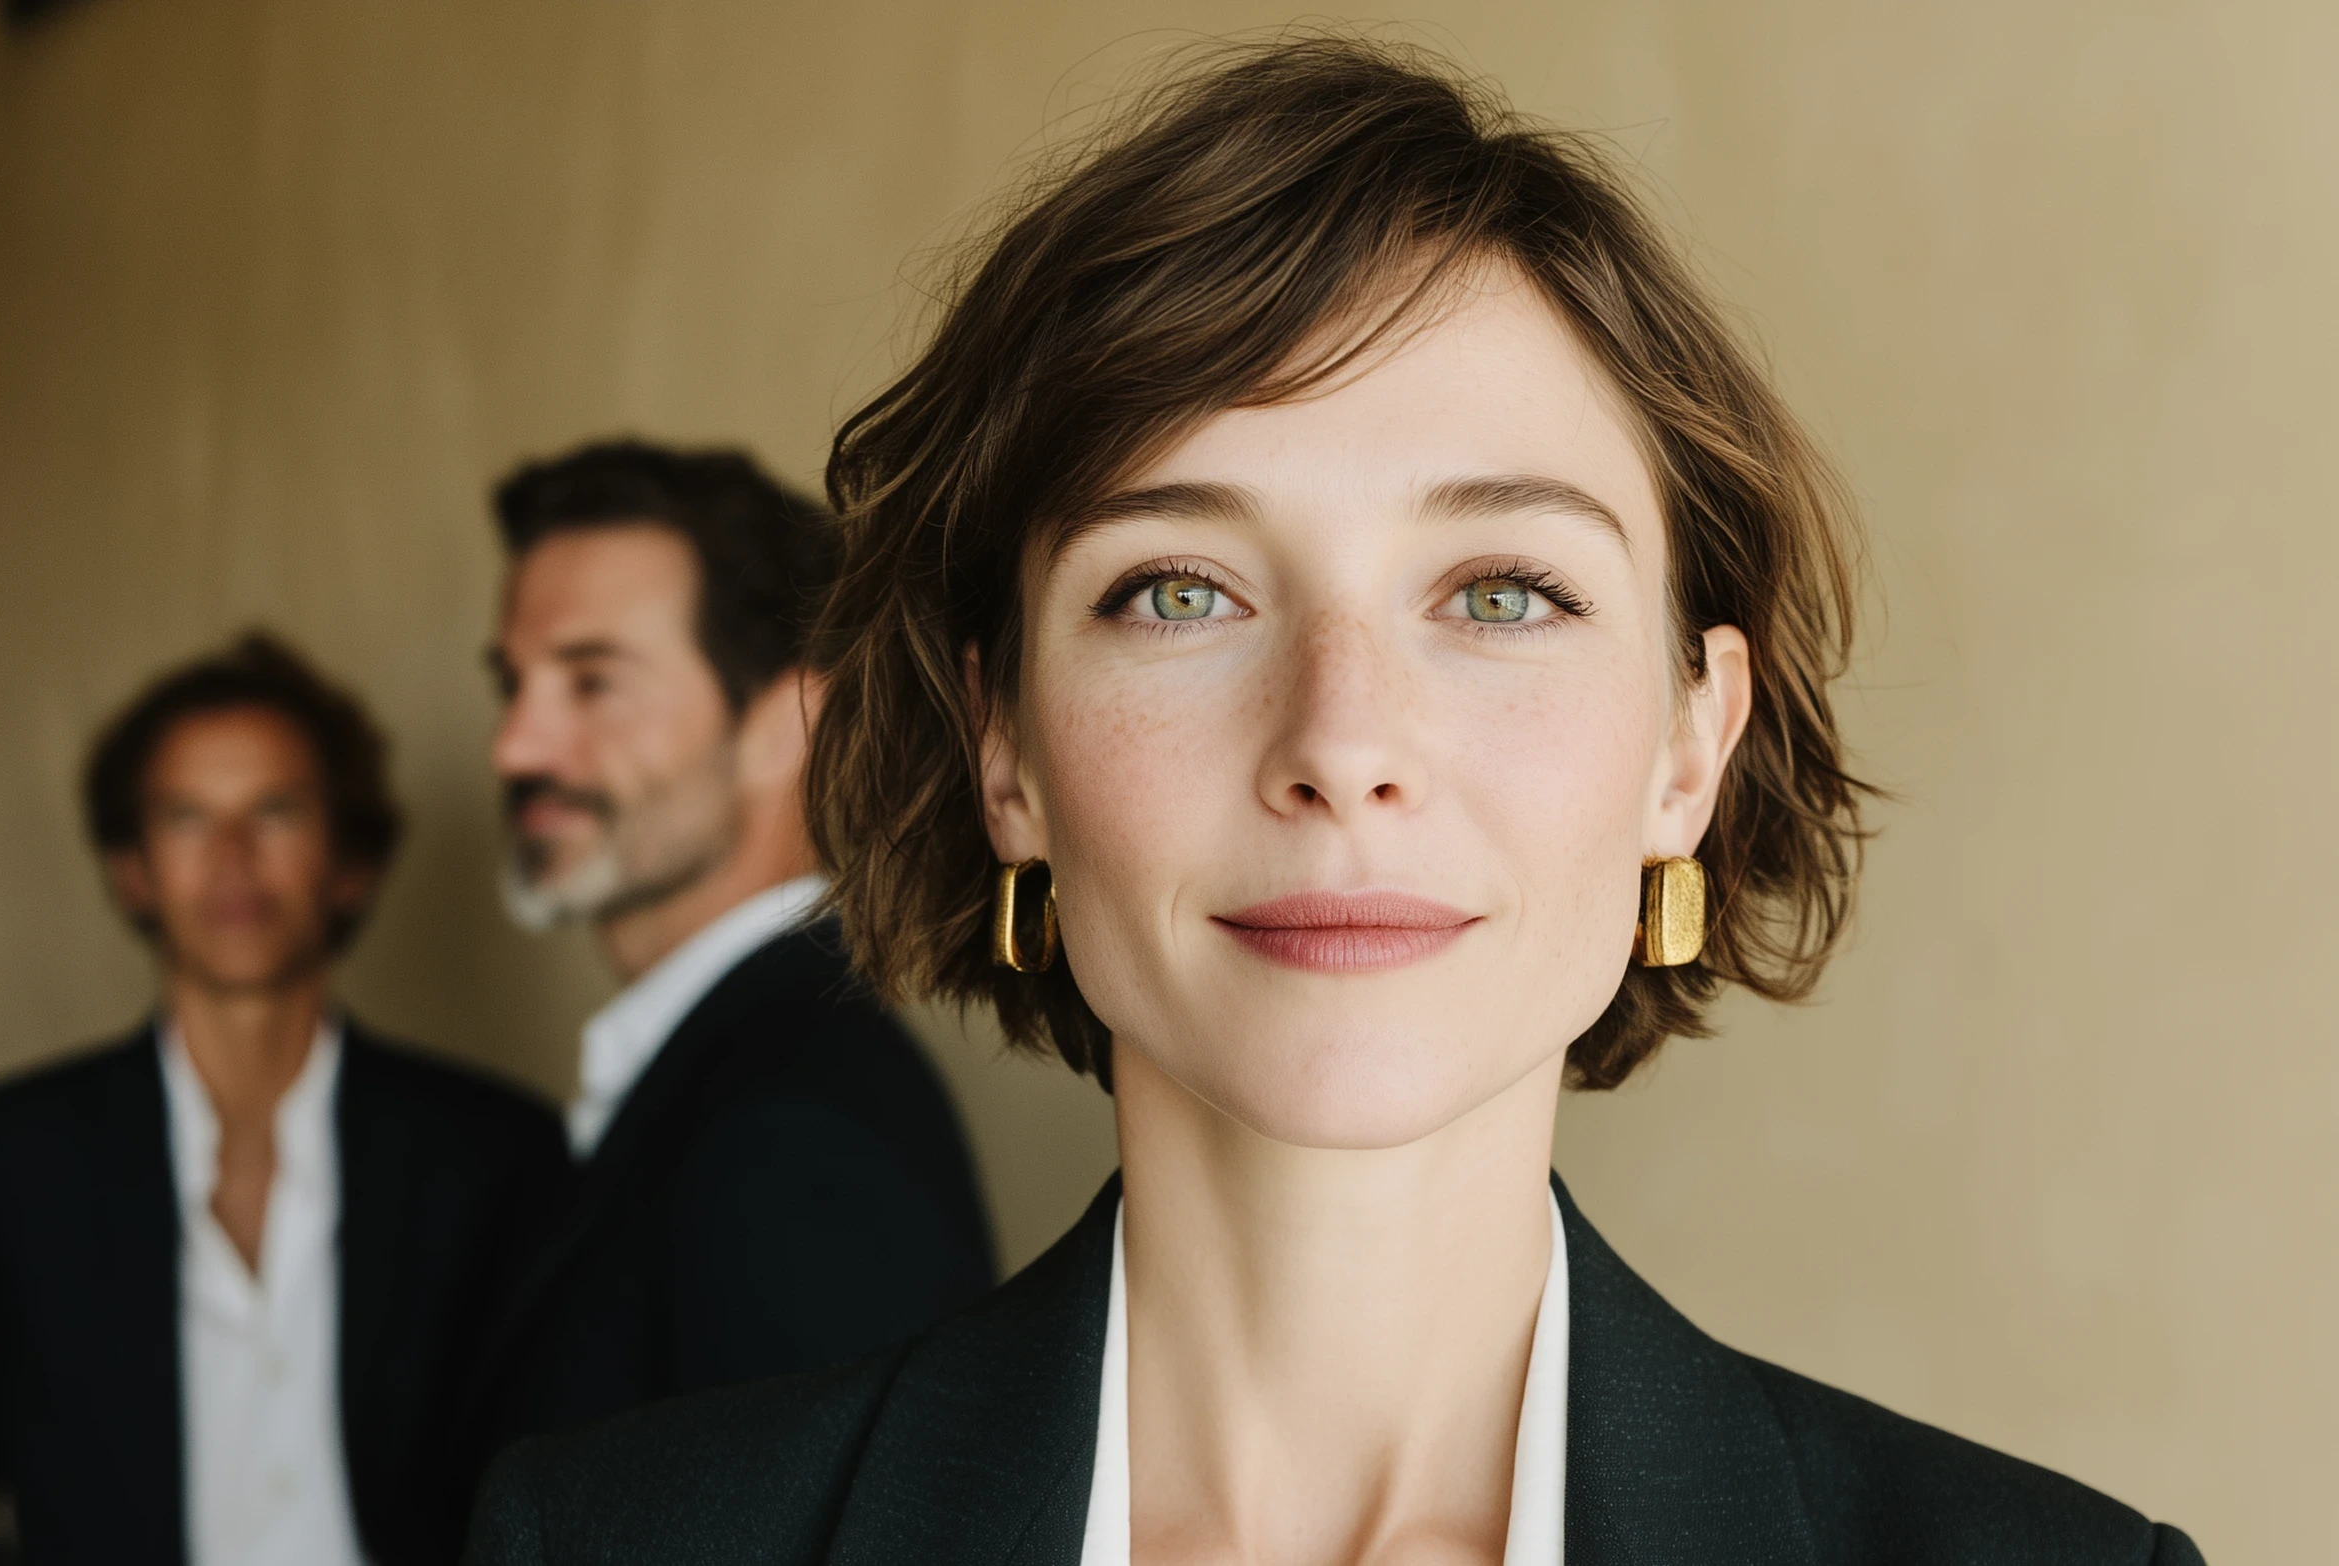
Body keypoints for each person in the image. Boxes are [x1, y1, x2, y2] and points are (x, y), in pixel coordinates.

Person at [464, 40, 2204, 1566]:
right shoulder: (605, 1542)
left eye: (1502, 592)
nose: (1342, 739)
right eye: (1179, 591)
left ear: (1690, 749)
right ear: (1004, 752)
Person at [463, 440, 994, 1463]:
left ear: (786, 724)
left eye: (592, 682)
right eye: (513, 685)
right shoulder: (737, 1070)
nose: (514, 747)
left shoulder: (799, 1133)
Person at [0, 634, 565, 1566]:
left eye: (276, 810)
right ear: (132, 867)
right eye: (186, 816)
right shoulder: (18, 1159)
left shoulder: (497, 1155)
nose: (232, 858)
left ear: (350, 859)